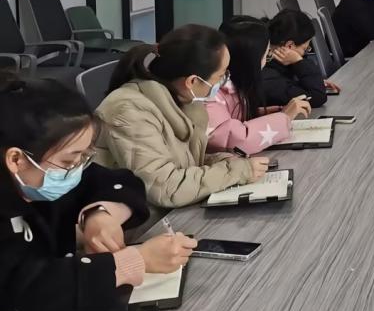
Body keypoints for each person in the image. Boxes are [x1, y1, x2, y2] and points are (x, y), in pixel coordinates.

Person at [0, 73, 196, 311]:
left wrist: (101, 214)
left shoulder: (43, 174)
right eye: (69, 161)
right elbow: (23, 293)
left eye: (84, 156)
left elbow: (116, 182)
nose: (76, 169)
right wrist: (132, 262)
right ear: (16, 159)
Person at [95, 25, 269, 209]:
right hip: (142, 219)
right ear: (192, 81)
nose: (225, 80)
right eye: (221, 75)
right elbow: (165, 188)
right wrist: (237, 171)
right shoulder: (129, 112)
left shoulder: (181, 99)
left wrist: (226, 162)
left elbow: (186, 163)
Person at [207, 17, 310, 155]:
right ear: (250, 60)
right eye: (266, 56)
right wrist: (284, 118)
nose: (266, 62)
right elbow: (235, 142)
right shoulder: (209, 95)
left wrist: (275, 112)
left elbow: (236, 118)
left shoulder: (232, 82)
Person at [263, 9, 340, 109]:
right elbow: (317, 97)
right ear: (289, 46)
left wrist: (312, 81)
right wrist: (298, 61)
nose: (304, 53)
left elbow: (289, 84)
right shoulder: (269, 78)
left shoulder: (273, 64)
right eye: (305, 49)